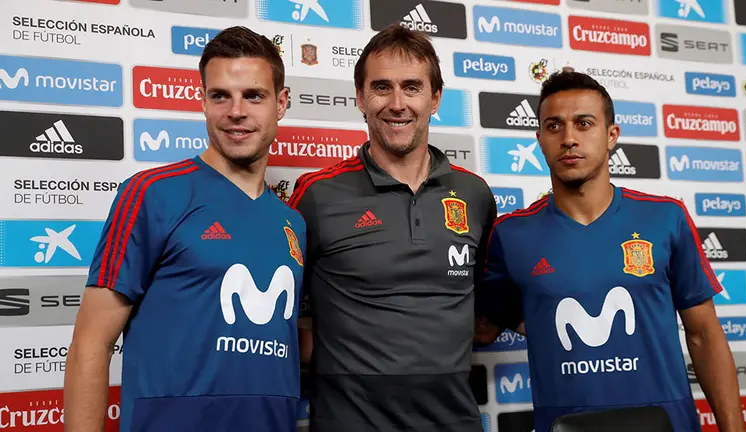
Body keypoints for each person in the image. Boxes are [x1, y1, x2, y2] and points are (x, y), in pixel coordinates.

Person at [474, 69, 745, 432]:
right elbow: (486, 326)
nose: (569, 138)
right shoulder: (511, 234)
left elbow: (704, 334)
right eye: (554, 126)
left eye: (584, 123)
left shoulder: (665, 218)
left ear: (611, 135)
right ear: (539, 139)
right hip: (566, 425)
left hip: (667, 424)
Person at [63, 26, 305, 432]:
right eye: (220, 95)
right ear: (204, 101)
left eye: (254, 96)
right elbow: (91, 343)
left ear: (281, 103)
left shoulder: (293, 222)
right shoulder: (150, 194)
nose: (236, 111)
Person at [288, 23, 496, 432]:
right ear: (361, 98)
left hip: (454, 422)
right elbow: (277, 309)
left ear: (435, 98)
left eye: (412, 88)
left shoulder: (475, 195)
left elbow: (487, 314)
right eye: (382, 87)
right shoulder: (317, 193)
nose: (397, 103)